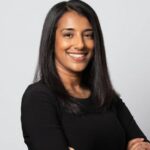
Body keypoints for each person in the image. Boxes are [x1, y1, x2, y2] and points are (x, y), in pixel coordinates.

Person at [21, 0, 150, 150]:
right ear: (51, 40)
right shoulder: (38, 97)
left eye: (88, 35)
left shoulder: (107, 97)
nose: (80, 44)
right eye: (68, 35)